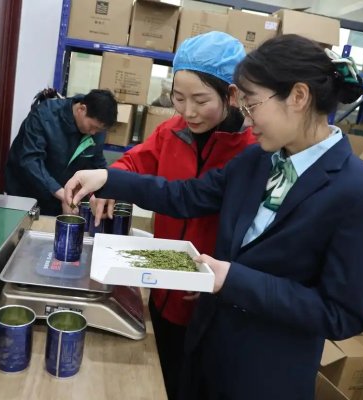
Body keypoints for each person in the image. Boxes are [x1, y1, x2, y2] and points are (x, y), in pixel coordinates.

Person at [65, 34, 363, 399]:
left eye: (252, 104)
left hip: (262, 380)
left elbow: (340, 314)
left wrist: (232, 279)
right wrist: (109, 178)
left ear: (298, 96)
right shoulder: (257, 161)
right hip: (204, 354)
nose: (246, 118)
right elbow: (186, 196)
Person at [108, 31, 254, 400]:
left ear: (231, 94)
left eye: (201, 100)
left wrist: (219, 279)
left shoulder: (252, 150)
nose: (188, 112)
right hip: (162, 284)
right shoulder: (171, 131)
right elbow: (133, 162)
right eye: (178, 97)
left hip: (212, 295)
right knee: (159, 372)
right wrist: (110, 183)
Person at [5, 88, 117, 216]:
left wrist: (108, 187)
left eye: (99, 130)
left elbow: (96, 162)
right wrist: (64, 195)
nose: (93, 133)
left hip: (60, 196)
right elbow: (30, 161)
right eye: (93, 127)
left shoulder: (97, 130)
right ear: (81, 109)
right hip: (26, 193)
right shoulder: (44, 116)